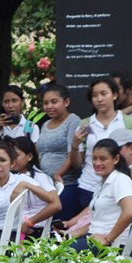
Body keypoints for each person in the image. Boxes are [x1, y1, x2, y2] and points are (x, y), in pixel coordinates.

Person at [70, 77, 132, 209]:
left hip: (120, 187)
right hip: (89, 186)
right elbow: (77, 164)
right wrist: (75, 146)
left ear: (115, 95)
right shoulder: (85, 125)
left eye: (104, 93)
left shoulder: (130, 123)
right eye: (94, 95)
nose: (99, 99)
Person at [63, 139, 132, 251]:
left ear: (116, 159)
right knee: (51, 244)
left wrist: (108, 239)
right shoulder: (101, 184)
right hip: (93, 238)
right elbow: (97, 222)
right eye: (94, 158)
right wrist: (69, 235)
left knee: (61, 252)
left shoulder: (121, 180)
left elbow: (130, 212)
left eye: (103, 159)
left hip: (112, 244)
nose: (97, 163)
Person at [38, 84, 82, 220]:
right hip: (46, 186)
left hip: (65, 184)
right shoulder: (45, 124)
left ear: (66, 102)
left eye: (54, 102)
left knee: (61, 226)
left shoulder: (73, 120)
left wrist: (59, 173)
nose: (49, 106)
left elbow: (72, 152)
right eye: (45, 103)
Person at [7, 136, 61, 237]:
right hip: (13, 229)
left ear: (30, 156)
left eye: (16, 155)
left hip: (33, 231)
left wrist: (30, 222)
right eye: (10, 155)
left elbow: (56, 205)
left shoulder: (40, 177)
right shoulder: (12, 176)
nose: (12, 159)